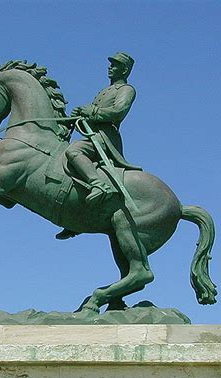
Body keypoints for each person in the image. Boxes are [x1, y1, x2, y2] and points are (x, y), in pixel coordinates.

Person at [56, 52, 138, 240]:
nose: (110, 67)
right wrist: (79, 114)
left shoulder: (126, 90)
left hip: (105, 137)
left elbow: (119, 111)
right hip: (92, 134)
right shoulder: (105, 90)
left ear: (124, 69)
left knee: (74, 151)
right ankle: (75, 216)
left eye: (115, 65)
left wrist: (92, 111)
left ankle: (99, 186)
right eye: (111, 64)